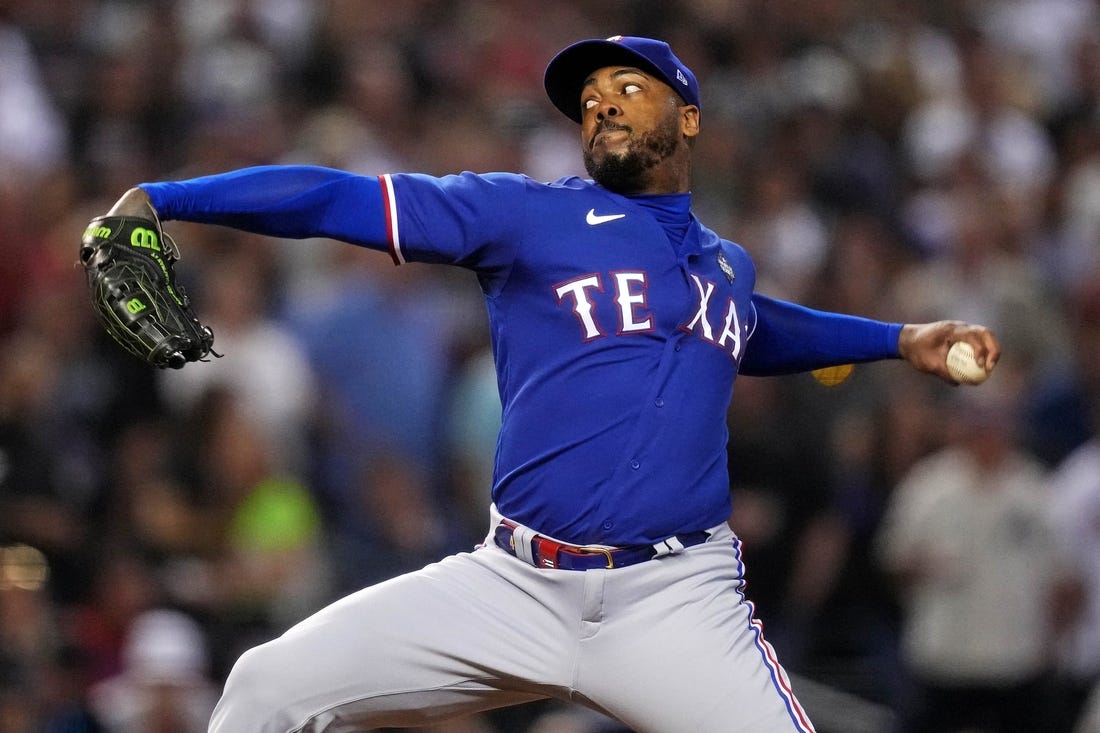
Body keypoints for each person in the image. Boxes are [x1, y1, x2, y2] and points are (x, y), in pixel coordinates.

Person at [97, 36, 999, 733]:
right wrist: (172, 196)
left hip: (674, 600)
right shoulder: (528, 214)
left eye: (626, 90)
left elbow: (756, 327)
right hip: (512, 583)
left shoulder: (727, 266)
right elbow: (337, 196)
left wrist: (898, 337)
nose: (600, 105)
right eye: (589, 101)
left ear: (689, 117)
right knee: (267, 686)